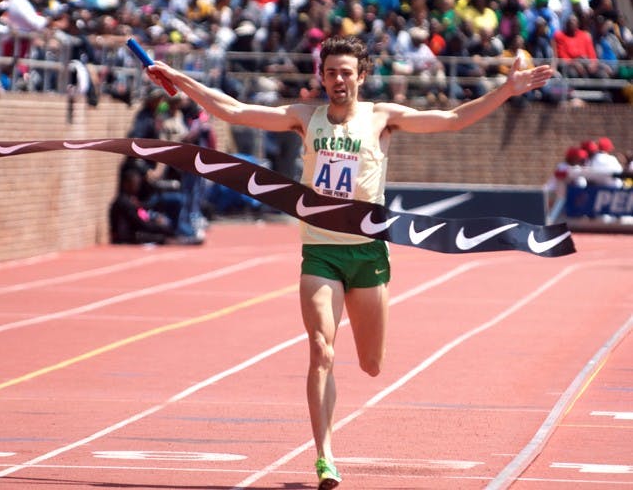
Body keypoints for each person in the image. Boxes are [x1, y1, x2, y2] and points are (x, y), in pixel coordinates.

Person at [144, 34, 554, 489]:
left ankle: (341, 416)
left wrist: (506, 90)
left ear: (362, 76)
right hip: (321, 252)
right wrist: (180, 78)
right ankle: (325, 457)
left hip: (368, 253)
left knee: (372, 363)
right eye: (331, 73)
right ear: (321, 77)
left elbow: (453, 119)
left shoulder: (382, 118)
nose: (338, 80)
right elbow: (236, 110)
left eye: (346, 73)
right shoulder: (305, 118)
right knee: (321, 348)